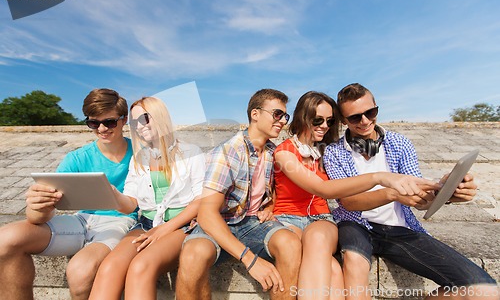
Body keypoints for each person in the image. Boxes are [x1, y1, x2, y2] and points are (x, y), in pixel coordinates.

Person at [323, 83, 498, 300]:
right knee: (354, 262)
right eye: (355, 118)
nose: (365, 121)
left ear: (376, 108)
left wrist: (446, 191)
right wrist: (392, 192)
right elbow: (349, 202)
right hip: (355, 224)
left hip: (399, 228)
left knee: (485, 290)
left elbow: (419, 199)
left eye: (370, 112)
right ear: (343, 121)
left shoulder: (400, 143)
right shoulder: (333, 152)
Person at [272, 91, 440, 300]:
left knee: (317, 238)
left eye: (329, 120)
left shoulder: (326, 151)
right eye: (317, 120)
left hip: (320, 219)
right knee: (332, 271)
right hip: (290, 218)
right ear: (302, 118)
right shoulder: (284, 153)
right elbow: (323, 189)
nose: (324, 126)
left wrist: (440, 188)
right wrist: (379, 178)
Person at [0, 88, 137, 300]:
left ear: (124, 120)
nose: (101, 128)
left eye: (109, 122)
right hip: (81, 221)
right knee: (6, 239)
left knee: (80, 271)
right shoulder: (77, 158)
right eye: (93, 123)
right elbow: (37, 218)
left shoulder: (141, 154)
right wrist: (37, 206)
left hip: (121, 222)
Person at [175, 88, 302, 300]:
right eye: (277, 114)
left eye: (285, 116)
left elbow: (272, 188)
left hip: (252, 223)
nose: (282, 121)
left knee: (290, 243)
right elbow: (207, 214)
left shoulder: (271, 151)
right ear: (255, 114)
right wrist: (249, 259)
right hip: (220, 223)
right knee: (192, 255)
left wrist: (269, 206)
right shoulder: (229, 152)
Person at [89, 96, 205, 300]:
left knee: (140, 266)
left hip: (180, 226)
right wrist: (113, 195)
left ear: (160, 116)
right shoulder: (139, 159)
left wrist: (163, 230)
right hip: (145, 225)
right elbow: (130, 203)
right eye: (134, 123)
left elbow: (200, 201)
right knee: (109, 267)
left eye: (145, 119)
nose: (140, 127)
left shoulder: (191, 152)